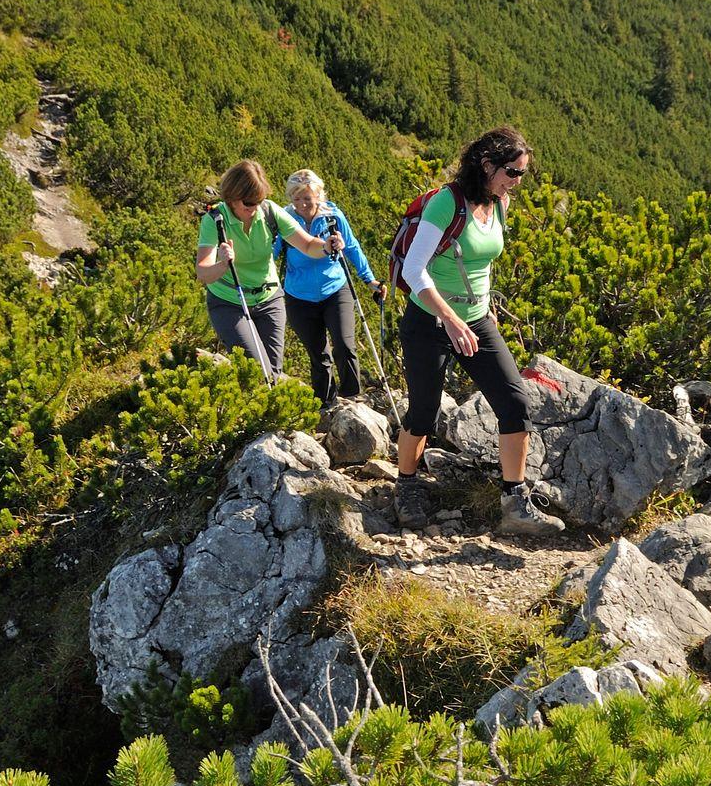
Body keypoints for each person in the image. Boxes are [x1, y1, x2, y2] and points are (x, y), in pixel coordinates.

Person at [394, 125, 562, 539]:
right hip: (429, 320)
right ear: (486, 165)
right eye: (512, 172)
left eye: (522, 173)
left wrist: (484, 310)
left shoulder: (499, 202)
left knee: (514, 402)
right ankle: (407, 485)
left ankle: (514, 503)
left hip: (476, 320)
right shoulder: (446, 204)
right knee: (424, 411)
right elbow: (414, 269)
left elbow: (481, 262)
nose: (517, 181)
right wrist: (451, 319)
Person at [195, 159, 342, 375]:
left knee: (273, 371)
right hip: (229, 302)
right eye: (248, 203)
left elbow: (307, 245)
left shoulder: (269, 211)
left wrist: (327, 246)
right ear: (232, 198)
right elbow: (203, 272)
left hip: (269, 299)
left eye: (258, 201)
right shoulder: (215, 219)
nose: (254, 208)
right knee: (257, 371)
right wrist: (222, 265)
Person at [281, 168, 382, 406]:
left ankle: (351, 399)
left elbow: (352, 248)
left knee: (345, 346)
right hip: (299, 296)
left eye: (307, 198)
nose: (302, 204)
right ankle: (325, 404)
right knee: (318, 354)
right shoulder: (284, 220)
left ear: (318, 196)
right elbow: (270, 253)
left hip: (335, 289)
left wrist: (370, 280)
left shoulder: (333, 217)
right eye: (296, 198)